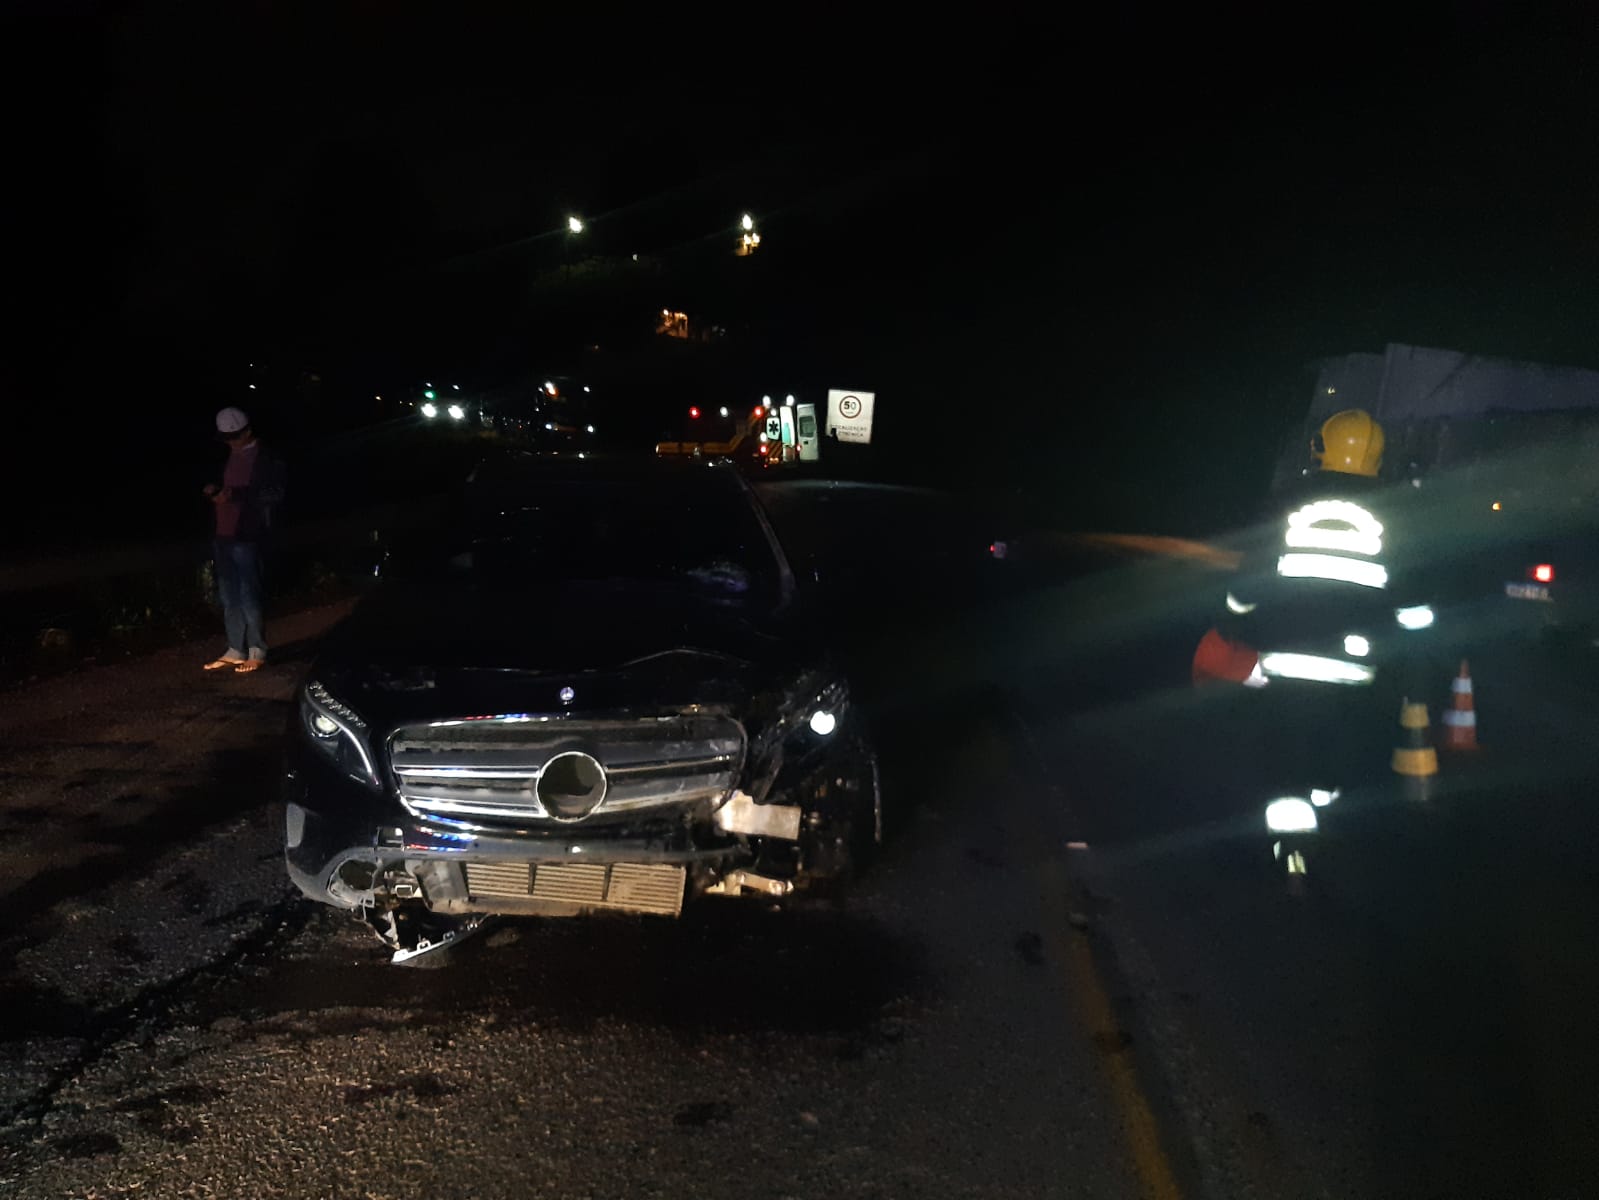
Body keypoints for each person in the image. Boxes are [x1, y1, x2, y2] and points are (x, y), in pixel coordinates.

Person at [203, 407, 286, 673]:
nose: (231, 442)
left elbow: (274, 494)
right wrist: (214, 491)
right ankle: (235, 648)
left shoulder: (267, 457)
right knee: (229, 596)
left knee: (250, 594)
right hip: (223, 534)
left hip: (249, 535)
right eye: (227, 438)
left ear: (248, 431)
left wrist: (234, 496)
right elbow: (220, 484)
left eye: (235, 437)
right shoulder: (226, 456)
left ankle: (257, 649)